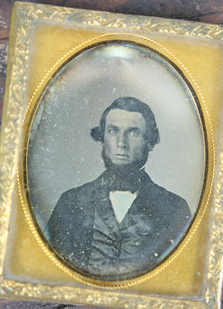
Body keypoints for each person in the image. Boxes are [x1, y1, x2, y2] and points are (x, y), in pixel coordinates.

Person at [46, 96, 191, 280]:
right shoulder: (71, 202)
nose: (121, 143)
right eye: (113, 131)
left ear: (150, 142)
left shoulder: (175, 208)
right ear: (102, 138)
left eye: (133, 133)